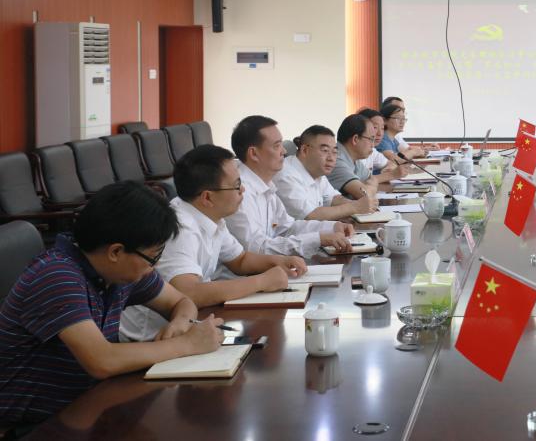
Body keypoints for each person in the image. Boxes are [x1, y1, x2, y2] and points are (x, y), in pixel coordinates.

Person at [0, 182, 222, 427]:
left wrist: (181, 322)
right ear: (116, 251)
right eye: (153, 257)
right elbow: (102, 361)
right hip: (30, 425)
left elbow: (181, 301)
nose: (154, 267)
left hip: (88, 405)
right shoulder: (56, 276)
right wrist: (186, 344)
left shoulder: (119, 270)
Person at [120, 145, 312, 342]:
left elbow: (240, 260)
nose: (243, 189)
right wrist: (262, 282)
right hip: (149, 339)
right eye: (236, 185)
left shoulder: (211, 216)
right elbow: (188, 292)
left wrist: (279, 261)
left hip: (188, 327)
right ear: (207, 197)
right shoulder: (181, 229)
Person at [225, 115, 354, 257]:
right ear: (254, 154)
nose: (284, 151)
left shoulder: (266, 185)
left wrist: (332, 227)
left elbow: (287, 228)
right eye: (277, 146)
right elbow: (257, 249)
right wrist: (318, 239)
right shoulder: (239, 191)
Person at [274, 125, 374, 220]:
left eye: (334, 152)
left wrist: (361, 205)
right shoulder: (286, 175)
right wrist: (354, 207)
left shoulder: (316, 171)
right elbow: (310, 215)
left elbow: (333, 198)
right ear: (304, 150)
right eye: (325, 150)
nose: (331, 158)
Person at [327, 114, 381, 197]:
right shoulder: (336, 160)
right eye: (371, 139)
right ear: (355, 139)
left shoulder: (354, 159)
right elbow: (365, 195)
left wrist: (368, 187)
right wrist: (372, 187)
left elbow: (372, 179)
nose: (373, 145)